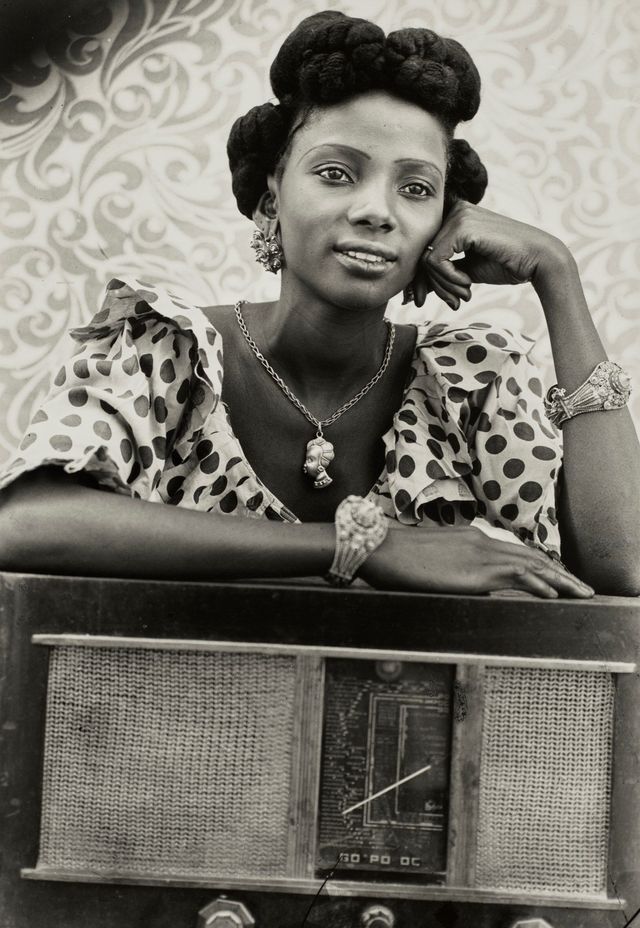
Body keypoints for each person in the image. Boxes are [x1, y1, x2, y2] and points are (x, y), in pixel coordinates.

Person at [0, 10, 638, 598]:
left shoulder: (470, 388)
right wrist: (361, 545)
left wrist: (557, 273)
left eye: (416, 189)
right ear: (272, 198)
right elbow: (27, 523)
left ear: (445, 224)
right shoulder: (167, 354)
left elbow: (619, 567)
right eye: (336, 173)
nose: (375, 211)